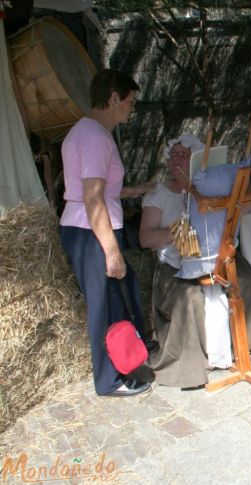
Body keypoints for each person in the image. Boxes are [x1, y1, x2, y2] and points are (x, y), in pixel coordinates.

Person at [139, 135, 251, 389]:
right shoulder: (159, 195)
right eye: (173, 155)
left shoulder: (214, 189)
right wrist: (178, 233)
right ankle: (189, 367)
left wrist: (235, 200)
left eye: (184, 155)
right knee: (190, 297)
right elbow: (145, 238)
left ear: (197, 160)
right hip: (175, 268)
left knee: (245, 278)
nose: (177, 159)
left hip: (216, 261)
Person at [59, 69, 154, 398]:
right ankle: (110, 380)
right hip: (92, 232)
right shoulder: (97, 138)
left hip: (84, 227)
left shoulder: (85, 132)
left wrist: (140, 189)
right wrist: (112, 252)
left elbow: (103, 189)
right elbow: (93, 197)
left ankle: (128, 359)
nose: (131, 107)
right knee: (104, 306)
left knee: (118, 296)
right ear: (114, 98)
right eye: (130, 101)